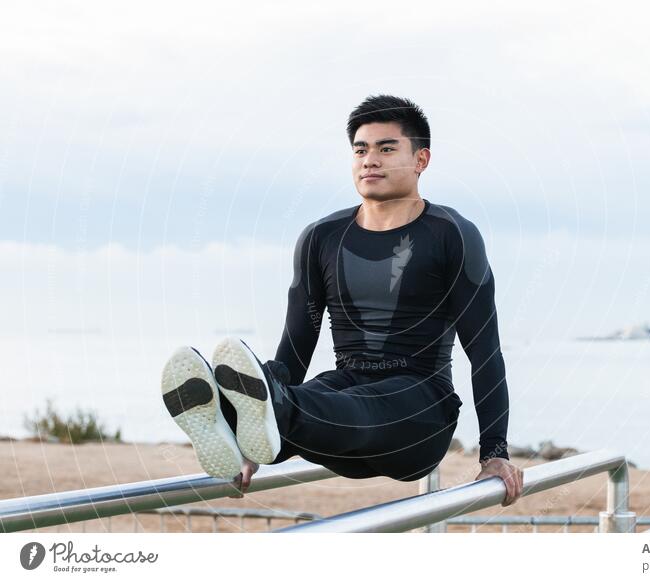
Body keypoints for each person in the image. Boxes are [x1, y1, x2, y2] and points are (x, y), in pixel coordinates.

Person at [160, 94, 523, 507]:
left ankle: (252, 413)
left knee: (340, 405)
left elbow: (485, 351)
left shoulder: (452, 233)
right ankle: (242, 430)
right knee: (323, 396)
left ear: (421, 159)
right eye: (361, 150)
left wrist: (495, 453)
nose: (370, 160)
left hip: (420, 413)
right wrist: (248, 451)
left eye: (387, 149)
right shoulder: (322, 238)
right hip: (345, 394)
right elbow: (297, 344)